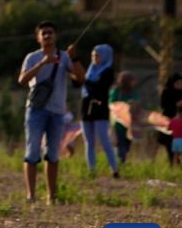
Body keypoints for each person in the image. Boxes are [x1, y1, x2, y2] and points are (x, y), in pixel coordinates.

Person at [17, 21, 83, 204]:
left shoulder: (64, 57)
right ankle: (30, 195)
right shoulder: (32, 57)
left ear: (56, 36)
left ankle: (51, 196)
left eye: (50, 32)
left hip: (57, 112)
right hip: (36, 111)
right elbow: (22, 80)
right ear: (38, 38)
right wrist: (42, 63)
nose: (47, 36)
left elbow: (80, 79)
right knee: (32, 153)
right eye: (43, 33)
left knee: (53, 154)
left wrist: (75, 59)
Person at [79, 44, 119, 178]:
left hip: (100, 108)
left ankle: (114, 168)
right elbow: (80, 83)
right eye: (93, 55)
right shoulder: (89, 71)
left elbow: (101, 87)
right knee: (88, 141)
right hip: (86, 107)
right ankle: (92, 170)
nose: (94, 58)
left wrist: (86, 81)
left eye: (97, 55)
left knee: (104, 139)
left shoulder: (108, 71)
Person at [109, 70, 138, 165]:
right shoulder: (116, 91)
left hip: (130, 124)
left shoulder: (133, 92)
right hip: (118, 123)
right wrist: (123, 106)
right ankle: (120, 163)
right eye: (132, 80)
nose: (134, 83)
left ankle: (122, 161)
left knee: (127, 144)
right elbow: (111, 104)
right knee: (120, 143)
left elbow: (137, 103)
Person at [158, 73, 182, 165]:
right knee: (169, 143)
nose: (180, 85)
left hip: (180, 123)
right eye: (178, 83)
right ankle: (173, 163)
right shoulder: (167, 92)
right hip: (168, 120)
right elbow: (164, 105)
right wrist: (176, 105)